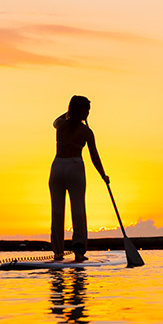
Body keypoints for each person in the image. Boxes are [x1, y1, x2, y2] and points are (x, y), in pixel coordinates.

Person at [50, 95, 109, 262]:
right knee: (78, 209)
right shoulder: (87, 132)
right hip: (75, 167)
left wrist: (69, 113)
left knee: (57, 211)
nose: (88, 113)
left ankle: (58, 251)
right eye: (86, 110)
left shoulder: (61, 125)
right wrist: (103, 175)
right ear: (80, 110)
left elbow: (55, 120)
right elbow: (94, 157)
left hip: (57, 167)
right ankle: (79, 249)